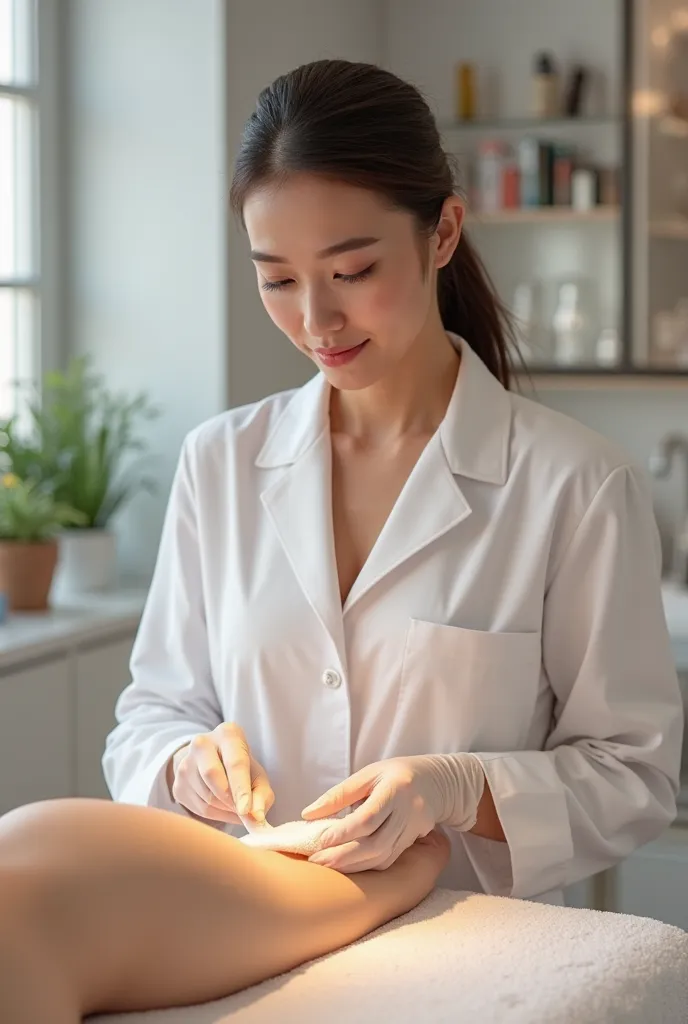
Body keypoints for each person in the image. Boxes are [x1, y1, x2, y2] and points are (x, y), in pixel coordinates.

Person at [102, 58, 683, 905]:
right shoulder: (219, 462)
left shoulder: (576, 485)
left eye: (353, 272)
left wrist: (459, 789)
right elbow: (149, 714)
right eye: (278, 279)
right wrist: (184, 766)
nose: (315, 320)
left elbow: (633, 777)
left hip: (478, 966)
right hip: (253, 938)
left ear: (442, 233)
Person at [0, 798, 449, 1022]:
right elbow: (159, 704)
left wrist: (470, 786)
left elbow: (412, 858)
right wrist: (178, 760)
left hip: (69, 861)